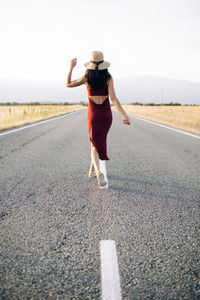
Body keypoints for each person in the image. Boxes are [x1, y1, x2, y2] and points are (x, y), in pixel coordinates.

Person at [66, 51, 130, 188]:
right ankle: (92, 170)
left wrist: (71, 67)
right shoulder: (108, 77)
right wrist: (124, 114)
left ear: (90, 64)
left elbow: (68, 84)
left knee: (94, 143)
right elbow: (114, 99)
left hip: (93, 115)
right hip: (106, 115)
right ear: (103, 64)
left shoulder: (85, 78)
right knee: (97, 141)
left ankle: (98, 171)